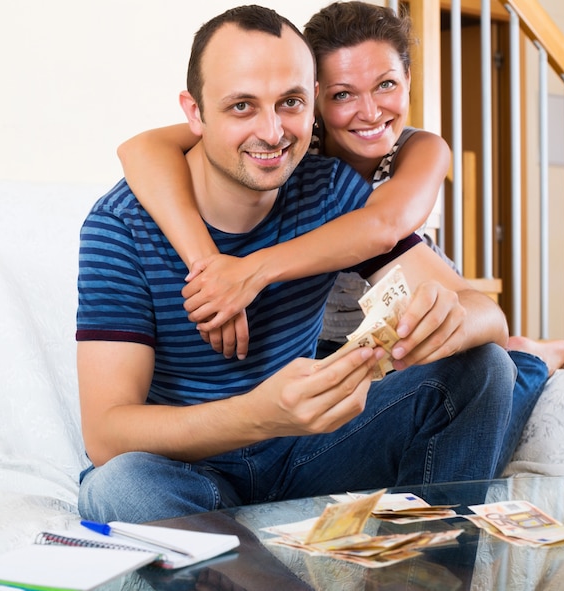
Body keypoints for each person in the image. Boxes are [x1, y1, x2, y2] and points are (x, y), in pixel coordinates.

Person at [76, 5, 516, 524]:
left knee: (487, 368)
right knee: (118, 488)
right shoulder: (121, 226)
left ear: (310, 107)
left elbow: (485, 316)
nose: (272, 131)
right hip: (191, 468)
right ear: (194, 113)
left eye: (289, 103)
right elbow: (106, 434)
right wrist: (257, 417)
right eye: (242, 106)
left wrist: (447, 320)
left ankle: (427, 572)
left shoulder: (328, 188)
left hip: (307, 451)